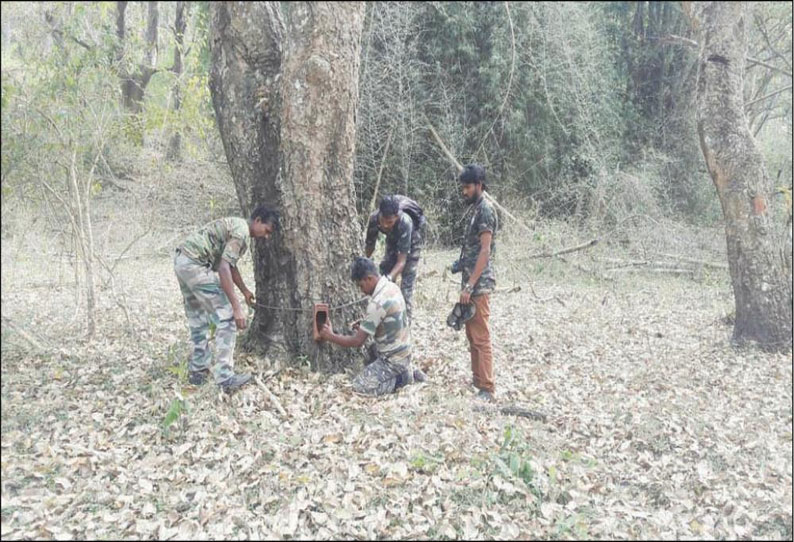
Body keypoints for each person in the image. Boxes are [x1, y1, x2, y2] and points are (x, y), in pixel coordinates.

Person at [173, 205, 279, 393]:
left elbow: (230, 266)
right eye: (267, 230)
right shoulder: (242, 233)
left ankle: (198, 371)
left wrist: (245, 291)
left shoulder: (237, 227)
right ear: (257, 221)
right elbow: (223, 268)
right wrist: (236, 306)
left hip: (183, 262)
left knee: (197, 319)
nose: (266, 236)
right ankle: (225, 378)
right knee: (228, 317)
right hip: (196, 265)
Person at [319, 257, 425, 396]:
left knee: (359, 386)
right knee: (371, 352)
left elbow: (357, 341)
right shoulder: (391, 286)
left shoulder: (377, 303)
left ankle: (401, 379)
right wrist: (366, 325)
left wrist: (330, 336)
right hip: (403, 352)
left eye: (361, 286)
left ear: (369, 278)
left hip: (392, 360)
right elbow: (387, 320)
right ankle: (405, 368)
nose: (361, 291)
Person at [452, 164, 498, 402]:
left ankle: (487, 387)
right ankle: (478, 380)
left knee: (480, 335)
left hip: (479, 284)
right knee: (471, 334)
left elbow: (485, 251)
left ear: (479, 185)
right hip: (470, 281)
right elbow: (473, 250)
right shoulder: (475, 209)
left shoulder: (486, 210)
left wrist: (470, 285)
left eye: (468, 187)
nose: (464, 192)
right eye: (463, 187)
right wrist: (460, 265)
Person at [364, 195, 427, 324]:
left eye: (390, 222)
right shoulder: (374, 219)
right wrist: (364, 266)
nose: (386, 225)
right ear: (379, 215)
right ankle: (382, 319)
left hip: (411, 246)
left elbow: (402, 261)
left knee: (405, 288)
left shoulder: (405, 222)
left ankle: (405, 326)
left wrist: (388, 279)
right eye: (384, 221)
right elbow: (369, 246)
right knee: (380, 280)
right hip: (392, 243)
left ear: (397, 217)